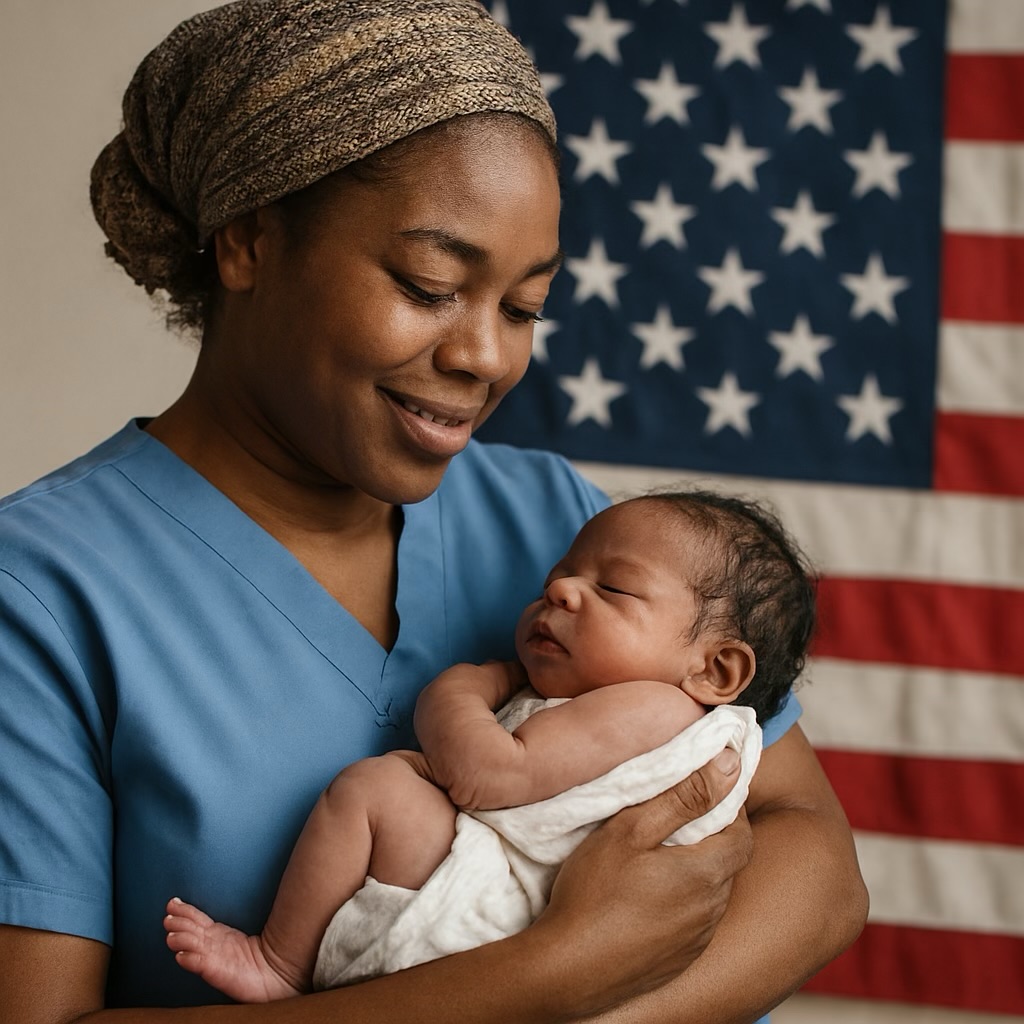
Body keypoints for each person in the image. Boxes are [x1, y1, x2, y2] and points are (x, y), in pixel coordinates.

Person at [0, 1, 867, 1022]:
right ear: (246, 241)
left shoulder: (567, 524)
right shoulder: (41, 594)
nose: (485, 357)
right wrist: (557, 971)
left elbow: (817, 861)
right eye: (428, 284)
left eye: (522, 308)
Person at [163, 488, 813, 1001]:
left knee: (377, 789)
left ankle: (280, 961)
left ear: (716, 672)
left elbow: (489, 778)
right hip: (522, 922)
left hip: (504, 909)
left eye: (612, 588)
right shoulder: (628, 699)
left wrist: (457, 691)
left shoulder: (657, 707)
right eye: (558, 577)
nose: (559, 590)